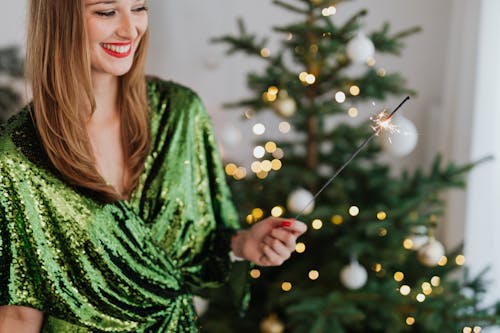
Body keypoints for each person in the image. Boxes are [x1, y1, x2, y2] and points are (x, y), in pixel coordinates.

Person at [0, 0, 307, 332]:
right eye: (106, 12)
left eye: (139, 8)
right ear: (60, 18)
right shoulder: (18, 154)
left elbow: (202, 245)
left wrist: (243, 243)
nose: (130, 29)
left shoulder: (180, 114)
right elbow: (18, 313)